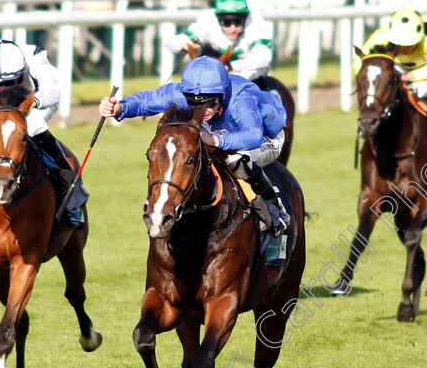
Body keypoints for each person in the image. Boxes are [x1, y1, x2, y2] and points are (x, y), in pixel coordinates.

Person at [98, 56, 289, 236]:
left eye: (210, 103)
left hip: (266, 137)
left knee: (236, 160)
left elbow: (253, 135)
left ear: (223, 93)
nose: (202, 110)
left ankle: (276, 209)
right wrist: (120, 107)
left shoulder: (242, 99)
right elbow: (147, 100)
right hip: (218, 131)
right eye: (194, 104)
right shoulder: (187, 92)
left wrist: (216, 141)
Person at [0, 40, 80, 211]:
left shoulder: (34, 57)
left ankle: (69, 184)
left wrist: (31, 103)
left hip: (36, 102)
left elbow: (53, 90)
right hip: (0, 107)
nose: (4, 87)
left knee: (33, 127)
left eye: (11, 82)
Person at [164, 0, 274, 85]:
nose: (232, 28)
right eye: (227, 22)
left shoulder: (255, 22)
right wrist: (181, 43)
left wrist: (231, 65)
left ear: (245, 19)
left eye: (238, 22)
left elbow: (263, 59)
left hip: (250, 74)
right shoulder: (208, 21)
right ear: (219, 19)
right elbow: (169, 44)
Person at [353, 8, 427, 109]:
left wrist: (407, 77)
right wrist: (366, 78)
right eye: (399, 44)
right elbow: (360, 60)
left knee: (423, 89)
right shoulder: (382, 35)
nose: (403, 48)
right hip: (399, 66)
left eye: (409, 44)